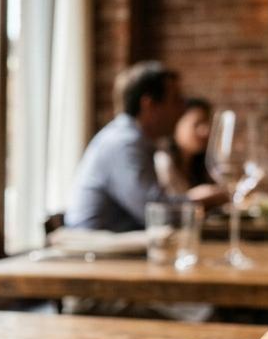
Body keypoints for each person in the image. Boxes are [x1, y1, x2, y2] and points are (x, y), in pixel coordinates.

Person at [65, 62, 217, 232]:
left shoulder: (134, 140)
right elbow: (155, 214)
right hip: (94, 245)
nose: (182, 109)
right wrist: (203, 200)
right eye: (176, 100)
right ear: (149, 105)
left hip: (117, 241)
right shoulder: (123, 144)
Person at [155, 97, 215, 194]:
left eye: (207, 123)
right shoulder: (162, 162)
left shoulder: (202, 166)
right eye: (197, 124)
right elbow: (167, 201)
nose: (206, 131)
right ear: (176, 123)